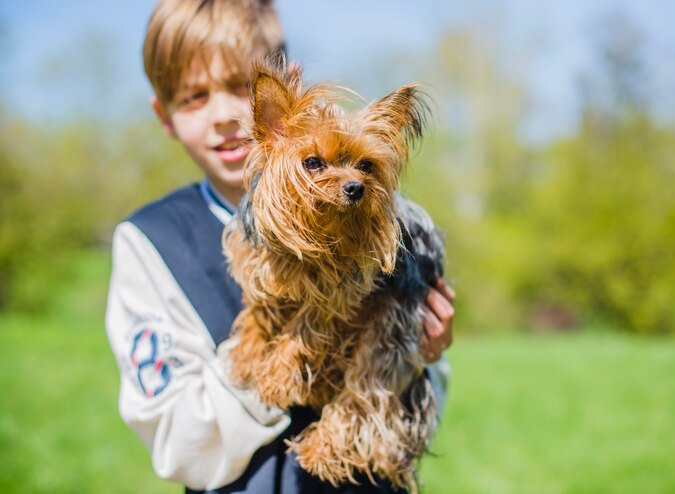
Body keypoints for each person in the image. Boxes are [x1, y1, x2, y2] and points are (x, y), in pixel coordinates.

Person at [105, 0, 455, 492]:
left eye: (239, 89)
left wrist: (424, 355)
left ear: (286, 98)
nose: (227, 116)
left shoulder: (385, 229)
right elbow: (177, 443)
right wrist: (282, 357)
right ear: (164, 114)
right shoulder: (151, 244)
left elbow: (427, 387)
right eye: (194, 97)